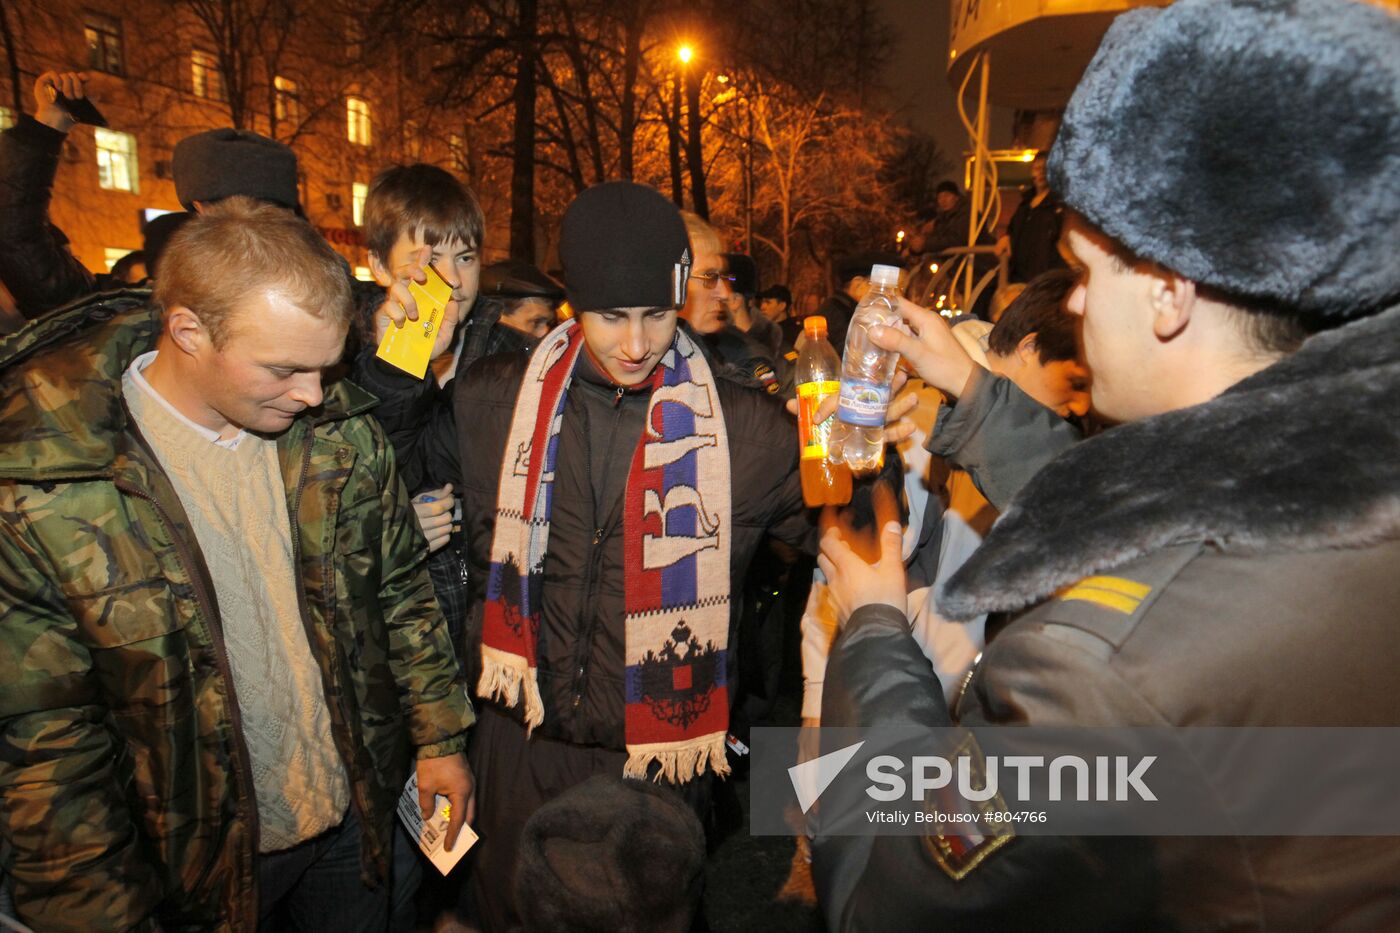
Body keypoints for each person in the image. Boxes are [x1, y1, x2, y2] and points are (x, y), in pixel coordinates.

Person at [812, 0, 1400, 928]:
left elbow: (893, 894)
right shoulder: (1342, 478)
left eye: (1087, 274)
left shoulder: (1092, 673)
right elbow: (1149, 511)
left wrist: (875, 627)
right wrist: (972, 386)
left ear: (1169, 292)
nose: (1074, 306)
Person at [0, 198, 476, 932]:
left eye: (325, 366)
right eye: (286, 368)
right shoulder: (52, 488)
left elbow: (399, 592)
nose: (314, 394)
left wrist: (441, 738)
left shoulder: (338, 434)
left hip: (353, 827)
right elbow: (49, 743)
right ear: (188, 330)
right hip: (191, 867)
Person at [450, 181, 811, 930]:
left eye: (656, 314)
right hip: (518, 747)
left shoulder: (748, 430)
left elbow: (865, 540)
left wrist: (885, 455)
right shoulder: (493, 398)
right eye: (612, 316)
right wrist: (399, 364)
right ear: (570, 302)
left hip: (655, 763)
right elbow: (374, 484)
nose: (638, 343)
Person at [0, 71, 302, 319]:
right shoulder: (141, 314)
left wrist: (49, 125)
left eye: (260, 208)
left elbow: (18, 240)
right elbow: (19, 244)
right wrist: (49, 125)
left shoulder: (329, 309)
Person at [995, 150, 1067, 284]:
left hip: (1045, 281)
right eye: (1037, 169)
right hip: (1018, 279)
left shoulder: (1060, 205)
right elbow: (1012, 229)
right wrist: (1006, 237)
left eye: (1046, 169)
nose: (1041, 173)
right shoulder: (1024, 205)